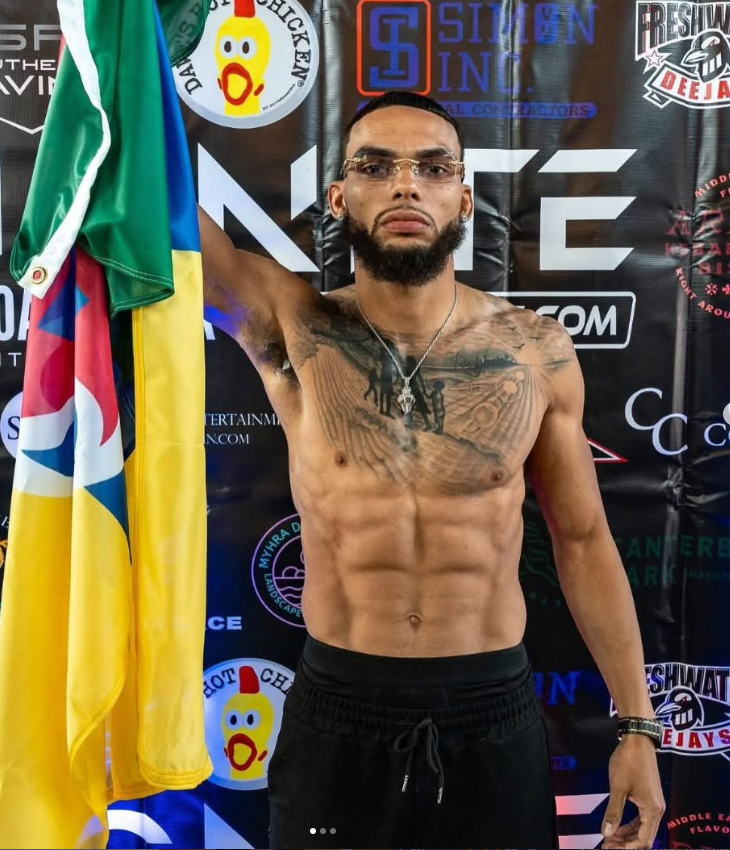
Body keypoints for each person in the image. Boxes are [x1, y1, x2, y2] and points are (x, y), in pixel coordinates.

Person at [199, 91, 665, 849]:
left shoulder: (535, 350)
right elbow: (166, 226)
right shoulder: (292, 326)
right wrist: (116, 75)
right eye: (377, 166)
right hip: (340, 709)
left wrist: (637, 725)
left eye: (433, 167)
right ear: (340, 197)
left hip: (490, 712)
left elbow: (582, 542)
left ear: (465, 197)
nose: (407, 185)